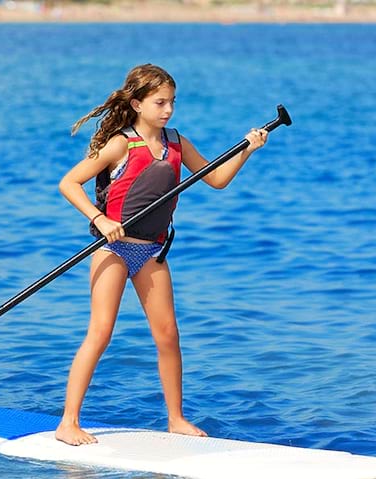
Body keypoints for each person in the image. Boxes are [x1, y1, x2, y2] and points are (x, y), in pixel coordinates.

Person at [55, 64, 269, 446]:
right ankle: (68, 422)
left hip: (152, 251)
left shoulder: (176, 142)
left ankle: (176, 419)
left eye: (172, 101)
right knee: (101, 333)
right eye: (159, 102)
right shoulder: (122, 143)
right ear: (137, 104)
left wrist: (247, 150)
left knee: (168, 335)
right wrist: (100, 219)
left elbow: (216, 180)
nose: (168, 109)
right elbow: (69, 183)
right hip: (113, 250)